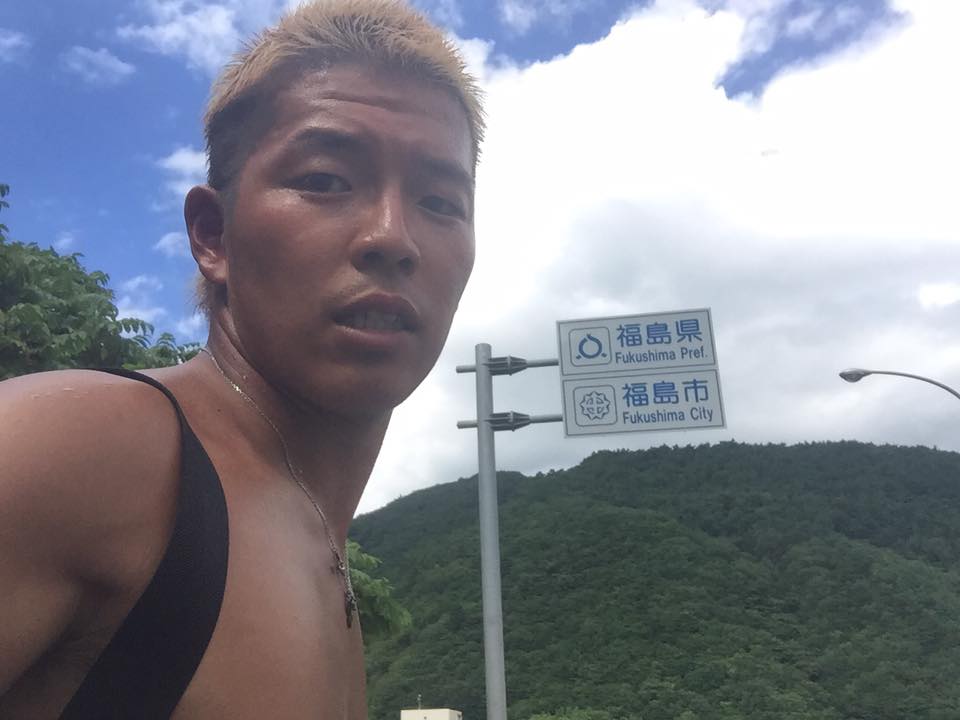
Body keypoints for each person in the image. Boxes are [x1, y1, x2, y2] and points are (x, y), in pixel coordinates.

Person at [0, 0, 483, 716]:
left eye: (440, 201)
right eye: (325, 179)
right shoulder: (77, 450)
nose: (393, 237)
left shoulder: (324, 556)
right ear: (213, 235)